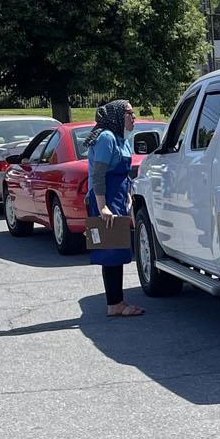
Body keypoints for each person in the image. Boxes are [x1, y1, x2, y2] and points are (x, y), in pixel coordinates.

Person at [84, 100, 144, 318]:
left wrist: (128, 195)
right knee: (110, 251)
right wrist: (103, 208)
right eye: (129, 112)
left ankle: (117, 300)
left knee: (118, 250)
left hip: (117, 197)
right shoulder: (106, 138)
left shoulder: (122, 138)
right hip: (104, 198)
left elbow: (123, 172)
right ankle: (114, 304)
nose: (133, 116)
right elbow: (98, 175)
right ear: (119, 115)